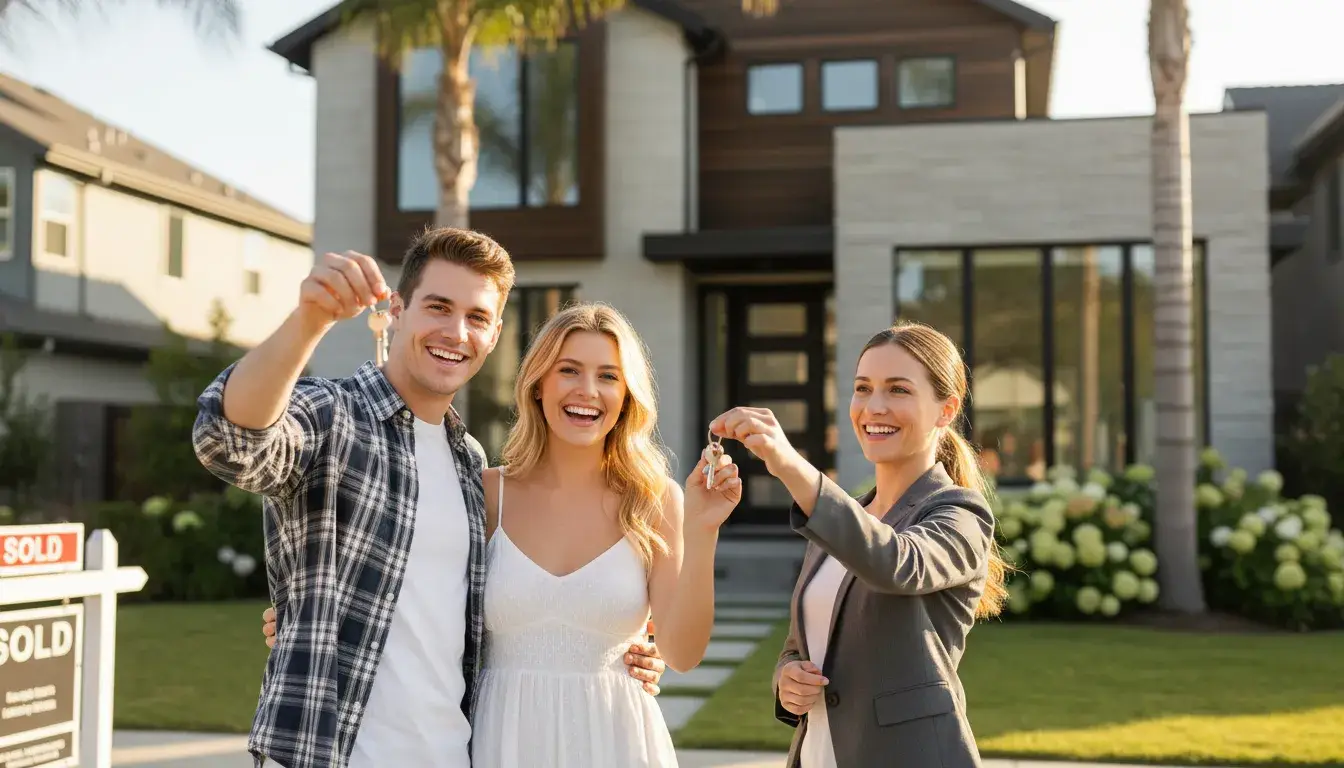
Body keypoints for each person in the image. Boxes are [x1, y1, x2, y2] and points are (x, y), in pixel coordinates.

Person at [192, 228, 667, 768]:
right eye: (438, 307)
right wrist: (310, 321)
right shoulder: (332, 416)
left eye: (477, 317)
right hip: (332, 754)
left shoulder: (469, 463)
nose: (456, 332)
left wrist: (616, 649)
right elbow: (229, 443)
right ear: (397, 310)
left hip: (450, 754)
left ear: (493, 335)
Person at [260, 301, 742, 766]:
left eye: (608, 376)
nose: (587, 391)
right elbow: (412, 582)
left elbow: (682, 653)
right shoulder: (487, 492)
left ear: (627, 395)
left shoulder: (655, 501)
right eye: (569, 370)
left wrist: (703, 530)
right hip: (503, 739)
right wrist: (316, 614)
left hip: (618, 740)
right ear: (538, 385)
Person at [709, 321, 1008, 768]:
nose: (874, 407)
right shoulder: (843, 517)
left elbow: (896, 563)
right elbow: (804, 641)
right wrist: (787, 677)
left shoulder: (960, 513)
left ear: (946, 410)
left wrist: (789, 465)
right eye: (863, 388)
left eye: (898, 390)